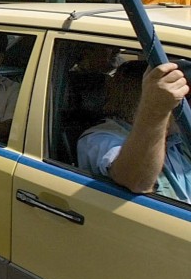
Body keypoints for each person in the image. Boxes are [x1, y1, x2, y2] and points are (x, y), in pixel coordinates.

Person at [78, 60, 190, 202]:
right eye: (182, 99)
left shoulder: (177, 138)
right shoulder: (98, 138)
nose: (185, 106)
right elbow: (136, 181)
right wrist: (156, 110)